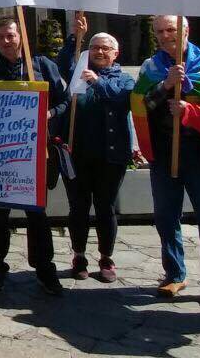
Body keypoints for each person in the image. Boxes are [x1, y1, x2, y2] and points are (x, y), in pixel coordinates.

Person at [131, 15, 200, 307]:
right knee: (165, 217)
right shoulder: (151, 67)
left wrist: (190, 108)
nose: (166, 36)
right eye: (160, 31)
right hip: (165, 154)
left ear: (186, 30)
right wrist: (165, 86)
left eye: (171, 29)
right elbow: (142, 103)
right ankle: (174, 274)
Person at [0, 15, 69, 296]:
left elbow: (64, 101)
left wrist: (49, 113)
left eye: (10, 36)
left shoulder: (42, 66)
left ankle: (44, 269)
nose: (5, 42)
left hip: (34, 156)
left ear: (21, 37)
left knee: (37, 214)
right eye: (0, 37)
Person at [55, 14, 136, 283]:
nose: (99, 52)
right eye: (95, 47)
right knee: (78, 207)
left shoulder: (124, 79)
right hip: (77, 154)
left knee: (105, 207)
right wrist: (74, 36)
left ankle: (106, 257)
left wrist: (95, 81)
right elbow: (63, 63)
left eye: (105, 48)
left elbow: (118, 98)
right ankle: (79, 255)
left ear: (115, 53)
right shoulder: (78, 71)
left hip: (110, 157)